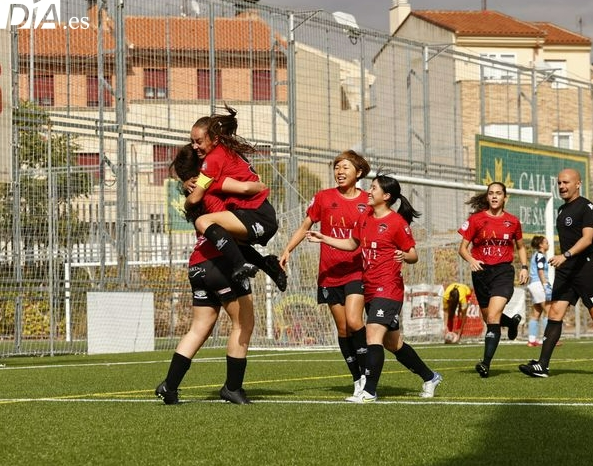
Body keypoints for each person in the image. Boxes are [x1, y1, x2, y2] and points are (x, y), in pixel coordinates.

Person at [307, 172, 442, 402]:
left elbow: (413, 254)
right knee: (393, 343)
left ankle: (368, 391)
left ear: (386, 196)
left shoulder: (396, 223)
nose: (369, 191)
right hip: (369, 287)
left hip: (388, 288)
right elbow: (352, 244)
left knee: (372, 334)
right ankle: (430, 377)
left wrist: (403, 255)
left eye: (374, 188)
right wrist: (324, 238)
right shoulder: (365, 217)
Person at [155, 146, 267, 405]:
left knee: (198, 328)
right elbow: (248, 189)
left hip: (198, 264)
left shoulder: (193, 191)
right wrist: (257, 185)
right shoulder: (215, 186)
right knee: (243, 324)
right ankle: (232, 388)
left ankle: (169, 385)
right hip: (220, 261)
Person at [279, 150, 371, 400]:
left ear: (358, 173)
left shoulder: (368, 201)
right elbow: (305, 226)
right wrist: (288, 249)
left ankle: (368, 376)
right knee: (343, 329)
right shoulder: (323, 197)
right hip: (329, 274)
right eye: (337, 167)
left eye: (345, 167)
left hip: (356, 271)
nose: (340, 172)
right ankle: (357, 379)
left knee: (354, 321)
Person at [520, 168, 593, 378]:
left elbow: (587, 239)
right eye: (559, 183)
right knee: (555, 312)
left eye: (566, 182)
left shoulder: (587, 207)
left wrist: (565, 255)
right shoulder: (561, 210)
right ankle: (542, 365)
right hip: (566, 269)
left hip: (585, 267)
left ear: (578, 184)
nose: (562, 186)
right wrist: (564, 259)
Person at [185, 106, 285, 289]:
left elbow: (194, 199)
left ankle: (241, 264)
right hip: (260, 214)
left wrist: (186, 200)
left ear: (214, 139)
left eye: (199, 142)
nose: (194, 146)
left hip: (257, 214)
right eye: (192, 142)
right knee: (226, 239)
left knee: (202, 222)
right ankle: (267, 264)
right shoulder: (226, 154)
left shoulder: (212, 161)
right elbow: (246, 184)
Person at [458, 181, 528, 378]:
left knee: (493, 316)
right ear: (487, 197)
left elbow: (521, 246)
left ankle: (485, 363)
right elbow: (462, 249)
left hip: (503, 272)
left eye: (498, 193)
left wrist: (524, 267)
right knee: (489, 317)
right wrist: (472, 260)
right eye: (491, 193)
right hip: (481, 273)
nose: (494, 196)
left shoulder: (513, 221)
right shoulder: (476, 220)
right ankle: (511, 323)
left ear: (505, 197)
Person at [526, 235, 552, 347]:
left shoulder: (536, 255)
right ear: (541, 245)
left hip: (534, 284)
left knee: (536, 312)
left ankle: (532, 340)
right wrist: (545, 285)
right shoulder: (540, 255)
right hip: (539, 284)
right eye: (546, 242)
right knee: (549, 311)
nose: (548, 244)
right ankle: (548, 338)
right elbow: (540, 271)